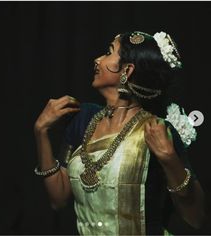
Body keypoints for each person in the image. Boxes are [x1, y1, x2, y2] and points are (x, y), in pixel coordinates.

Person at [33, 31, 205, 235]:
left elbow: (196, 218)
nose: (97, 60)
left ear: (127, 70)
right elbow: (58, 199)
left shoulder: (155, 130)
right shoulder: (83, 118)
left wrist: (170, 159)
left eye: (108, 53)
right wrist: (41, 131)